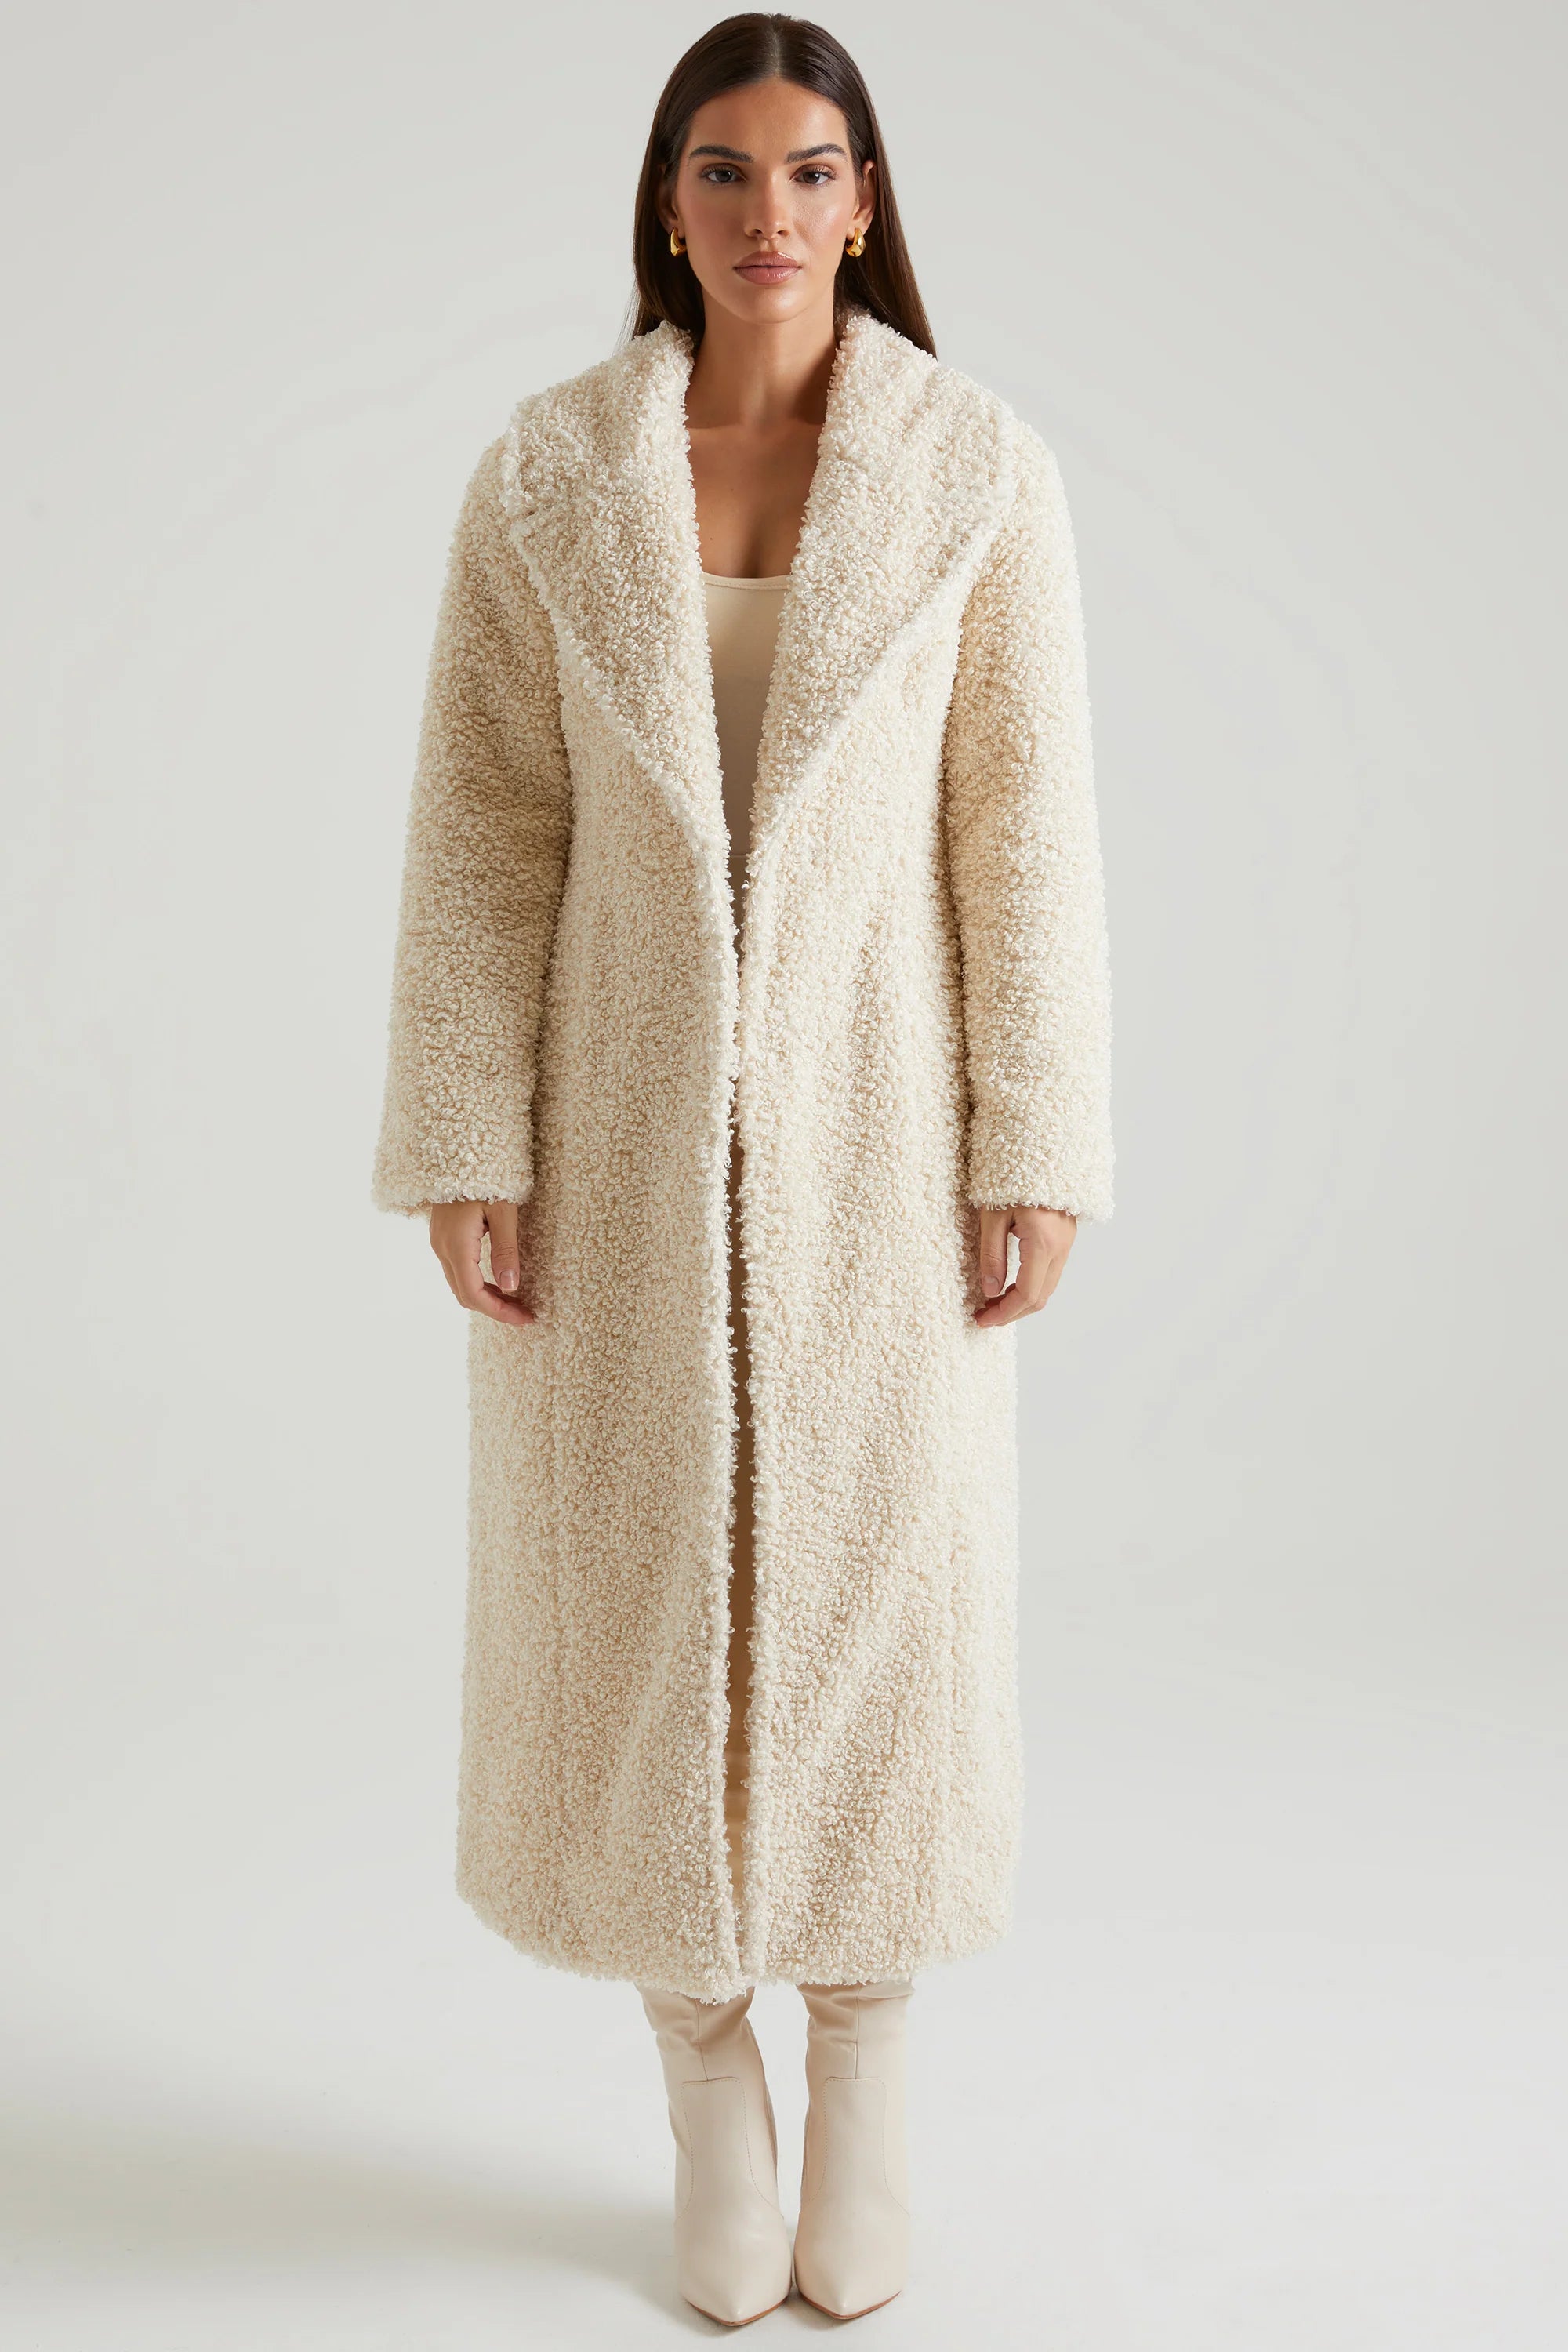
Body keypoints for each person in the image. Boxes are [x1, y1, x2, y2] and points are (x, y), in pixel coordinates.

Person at [371, 10, 1112, 2327]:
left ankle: (865, 2048)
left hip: (885, 1130)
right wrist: (466, 1127)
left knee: (889, 1572)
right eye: (724, 169)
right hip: (612, 1117)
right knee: (630, 1583)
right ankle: (702, 2064)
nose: (767, 211)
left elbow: (1023, 827)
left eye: (808, 171)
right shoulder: (546, 477)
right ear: (665, 201)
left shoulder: (978, 473)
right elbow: (487, 824)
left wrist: (1036, 1134)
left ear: (864, 204)